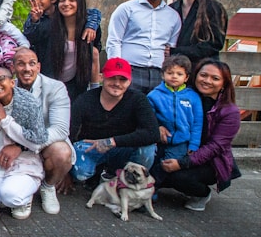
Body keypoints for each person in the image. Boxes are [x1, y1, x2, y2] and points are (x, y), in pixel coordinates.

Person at [0, 66, 48, 222]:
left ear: (12, 82)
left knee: (11, 195)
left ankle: (22, 197)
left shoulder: (28, 103)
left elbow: (38, 141)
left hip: (23, 165)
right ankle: (1, 195)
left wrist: (5, 121)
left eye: (1, 79)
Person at [2, 48, 74, 214]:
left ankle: (48, 186)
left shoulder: (55, 88)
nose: (27, 69)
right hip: (15, 141)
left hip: (44, 143)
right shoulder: (7, 87)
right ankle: (23, 191)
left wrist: (24, 146)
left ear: (39, 67)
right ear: (13, 68)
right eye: (21, 64)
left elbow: (60, 129)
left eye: (32, 63)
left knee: (62, 152)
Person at [160, 60, 239, 211]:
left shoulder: (230, 112)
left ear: (224, 84)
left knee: (178, 177)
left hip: (210, 161)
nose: (207, 81)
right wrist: (158, 126)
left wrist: (182, 163)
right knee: (156, 170)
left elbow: (215, 147)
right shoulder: (184, 95)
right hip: (180, 148)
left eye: (215, 78)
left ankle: (202, 194)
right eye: (203, 75)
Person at [70, 57, 161, 179]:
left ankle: (131, 181)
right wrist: (65, 172)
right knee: (78, 168)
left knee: (147, 148)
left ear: (130, 81)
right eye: (112, 77)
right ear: (102, 77)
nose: (117, 83)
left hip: (123, 149)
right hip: (92, 148)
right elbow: (69, 132)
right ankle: (92, 179)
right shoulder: (85, 99)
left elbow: (152, 133)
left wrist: (112, 141)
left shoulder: (138, 99)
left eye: (123, 79)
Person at [106, 0, 182, 94]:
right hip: (130, 70)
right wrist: (117, 70)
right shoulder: (126, 9)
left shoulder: (173, 16)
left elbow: (171, 48)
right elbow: (114, 41)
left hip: (159, 73)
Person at [26, 0, 101, 102]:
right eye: (62, 0)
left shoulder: (89, 27)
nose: (66, 4)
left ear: (80, 2)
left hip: (77, 86)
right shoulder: (49, 24)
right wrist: (34, 21)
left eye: (72, 0)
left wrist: (94, 91)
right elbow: (31, 39)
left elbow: (95, 51)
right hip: (49, 83)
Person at [147, 55, 203, 185]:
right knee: (152, 163)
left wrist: (194, 144)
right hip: (159, 140)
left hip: (181, 141)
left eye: (179, 74)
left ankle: (153, 187)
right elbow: (148, 117)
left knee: (166, 165)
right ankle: (150, 187)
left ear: (186, 77)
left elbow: (197, 123)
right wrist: (157, 127)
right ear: (163, 75)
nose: (174, 76)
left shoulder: (193, 97)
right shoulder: (154, 95)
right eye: (170, 73)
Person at [169, 0, 228, 67]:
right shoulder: (171, 9)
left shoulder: (213, 8)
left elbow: (214, 44)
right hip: (176, 68)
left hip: (202, 67)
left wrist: (176, 51)